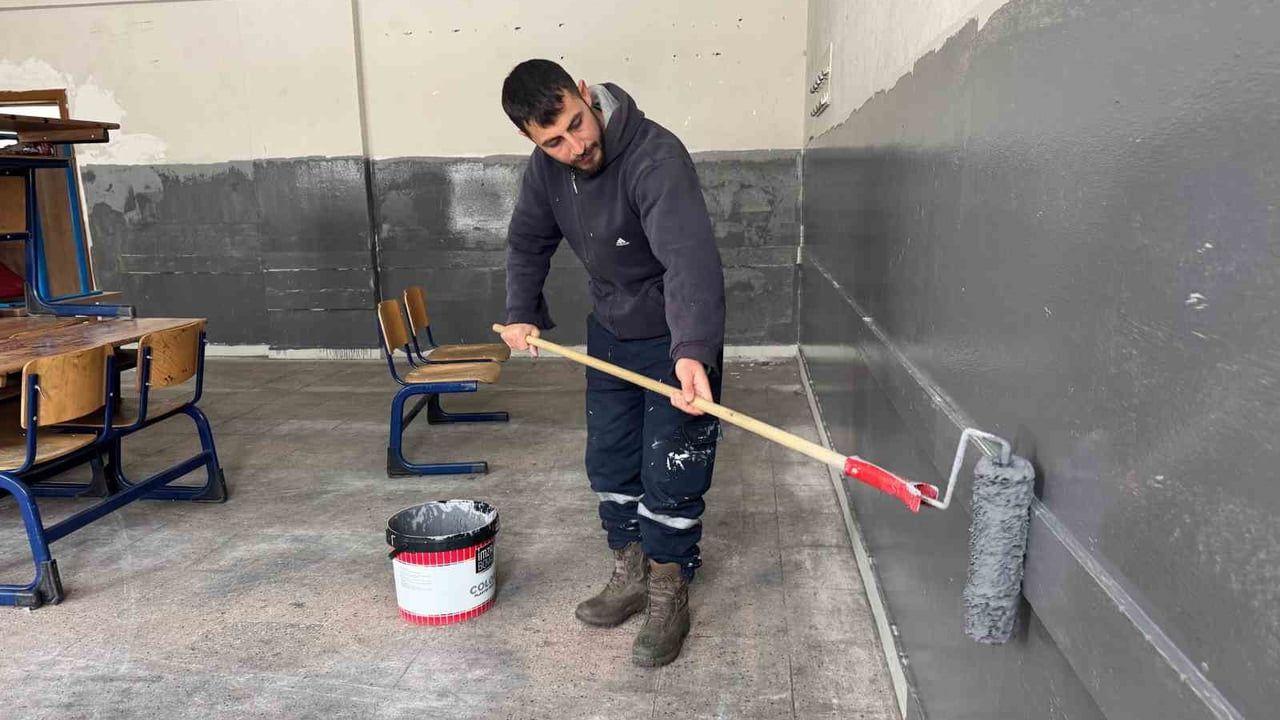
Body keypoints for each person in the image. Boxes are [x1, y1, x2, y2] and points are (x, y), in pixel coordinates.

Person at [499, 59, 726, 667]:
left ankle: (668, 588)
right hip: (610, 331)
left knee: (672, 469)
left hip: (674, 335)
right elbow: (528, 240)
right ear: (529, 137)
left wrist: (694, 352)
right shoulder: (546, 168)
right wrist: (521, 311)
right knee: (611, 460)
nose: (575, 147)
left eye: (577, 124)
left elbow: (690, 260)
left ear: (583, 92)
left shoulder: (655, 157)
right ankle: (631, 570)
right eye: (554, 141)